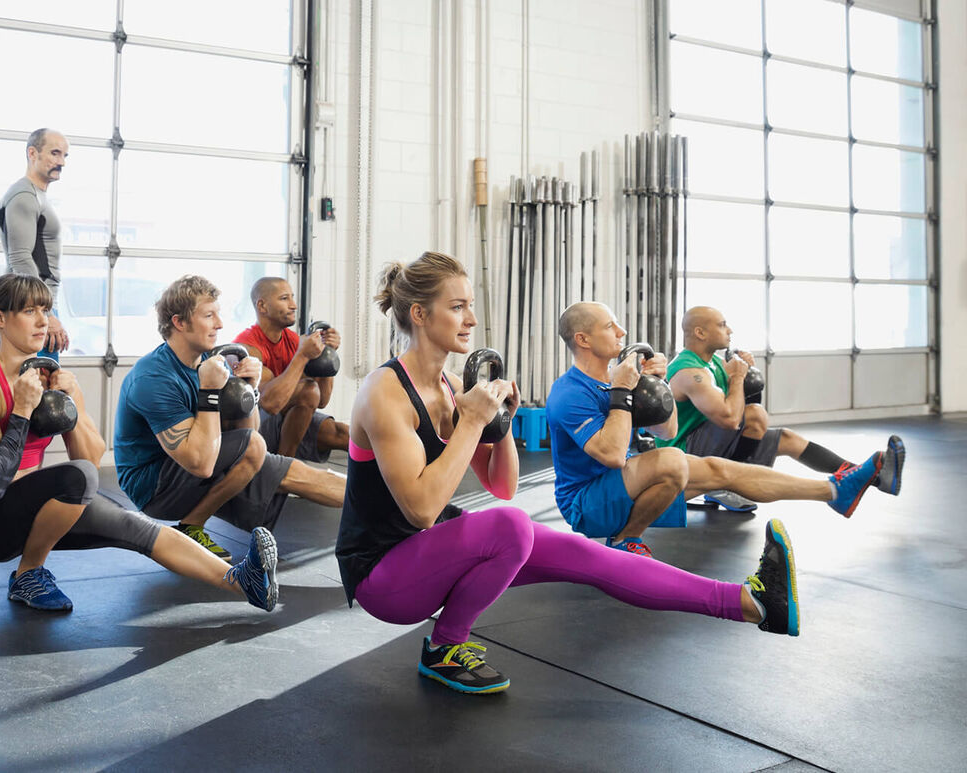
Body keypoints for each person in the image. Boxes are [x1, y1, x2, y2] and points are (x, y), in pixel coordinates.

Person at [336, 252, 801, 696]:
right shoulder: (385, 393)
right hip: (383, 577)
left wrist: (502, 423)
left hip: (431, 551)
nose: (472, 320)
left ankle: (751, 603)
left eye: (470, 306)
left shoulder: (452, 386)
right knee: (512, 525)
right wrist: (473, 422)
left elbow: (503, 485)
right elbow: (420, 510)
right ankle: (444, 647)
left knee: (590, 556)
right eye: (458, 307)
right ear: (420, 314)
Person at [0, 274, 278, 613]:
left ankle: (243, 581)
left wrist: (71, 405)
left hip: (40, 512)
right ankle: (28, 574)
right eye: (29, 311)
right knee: (76, 477)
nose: (42, 321)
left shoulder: (50, 378)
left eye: (45, 311)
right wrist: (21, 411)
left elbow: (90, 461)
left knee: (139, 528)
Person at [546, 302, 903, 557]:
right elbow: (611, 455)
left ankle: (834, 491)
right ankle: (625, 539)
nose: (622, 332)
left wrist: (656, 386)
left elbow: (667, 430)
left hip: (621, 485)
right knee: (672, 460)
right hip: (586, 504)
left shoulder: (616, 382)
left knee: (720, 470)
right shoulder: (570, 392)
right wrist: (623, 392)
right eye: (610, 326)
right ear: (583, 339)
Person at [114, 275, 345, 562]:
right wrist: (210, 391)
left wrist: (249, 390)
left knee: (297, 473)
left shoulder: (211, 362)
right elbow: (200, 463)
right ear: (179, 322)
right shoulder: (153, 378)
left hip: (201, 461)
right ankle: (191, 525)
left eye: (218, 314)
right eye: (209, 316)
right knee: (258, 452)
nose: (220, 324)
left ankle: (386, 505)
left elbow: (249, 433)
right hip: (154, 487)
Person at [659, 305, 905, 511]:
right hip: (683, 455)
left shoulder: (713, 362)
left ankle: (874, 477)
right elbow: (731, 419)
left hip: (708, 443)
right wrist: (737, 377)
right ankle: (725, 486)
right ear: (700, 332)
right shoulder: (689, 372)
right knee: (754, 415)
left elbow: (744, 402)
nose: (729, 330)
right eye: (722, 325)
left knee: (786, 438)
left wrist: (742, 370)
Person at [233, 277, 349, 460]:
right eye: (284, 298)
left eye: (292, 297)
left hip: (290, 422)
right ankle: (285, 465)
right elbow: (270, 404)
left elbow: (321, 401)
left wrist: (327, 354)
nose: (293, 305)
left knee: (346, 435)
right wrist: (302, 356)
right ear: (262, 306)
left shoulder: (294, 341)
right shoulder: (247, 348)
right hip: (253, 428)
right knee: (308, 390)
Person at [0, 128, 70, 358]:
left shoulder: (37, 195)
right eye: (55, 153)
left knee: (46, 379)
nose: (61, 162)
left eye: (64, 156)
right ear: (32, 153)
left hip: (38, 306)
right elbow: (20, 259)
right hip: (31, 308)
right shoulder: (24, 196)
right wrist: (45, 314)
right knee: (37, 380)